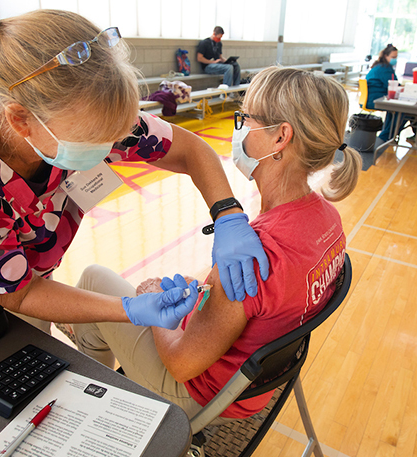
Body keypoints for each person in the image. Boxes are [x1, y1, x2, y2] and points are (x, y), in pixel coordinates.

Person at [0, 9, 270, 333]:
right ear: (21, 120)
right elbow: (18, 295)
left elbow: (190, 149)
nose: (110, 148)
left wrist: (229, 215)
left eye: (114, 135)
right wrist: (128, 309)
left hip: (16, 279)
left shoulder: (84, 112)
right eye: (95, 142)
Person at [67, 67, 360, 419]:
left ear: (280, 137)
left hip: (204, 397)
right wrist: (208, 294)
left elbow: (180, 364)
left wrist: (149, 300)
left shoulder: (252, 261)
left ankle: (87, 403)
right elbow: (267, 303)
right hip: (253, 385)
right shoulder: (327, 218)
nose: (239, 129)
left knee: (93, 280)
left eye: (245, 118)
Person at [365, 44, 400, 143]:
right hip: (375, 100)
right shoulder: (385, 68)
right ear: (386, 56)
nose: (395, 59)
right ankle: (386, 136)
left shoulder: (379, 66)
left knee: (395, 109)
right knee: (402, 110)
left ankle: (388, 135)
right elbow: (393, 85)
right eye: (393, 57)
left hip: (373, 98)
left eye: (396, 57)